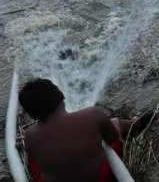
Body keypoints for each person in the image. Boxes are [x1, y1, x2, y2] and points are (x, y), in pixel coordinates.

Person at [19, 78, 151, 182]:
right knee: (115, 123)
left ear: (32, 115)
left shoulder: (30, 135)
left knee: (34, 159)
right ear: (61, 95)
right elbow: (113, 138)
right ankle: (136, 122)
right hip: (101, 179)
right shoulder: (92, 114)